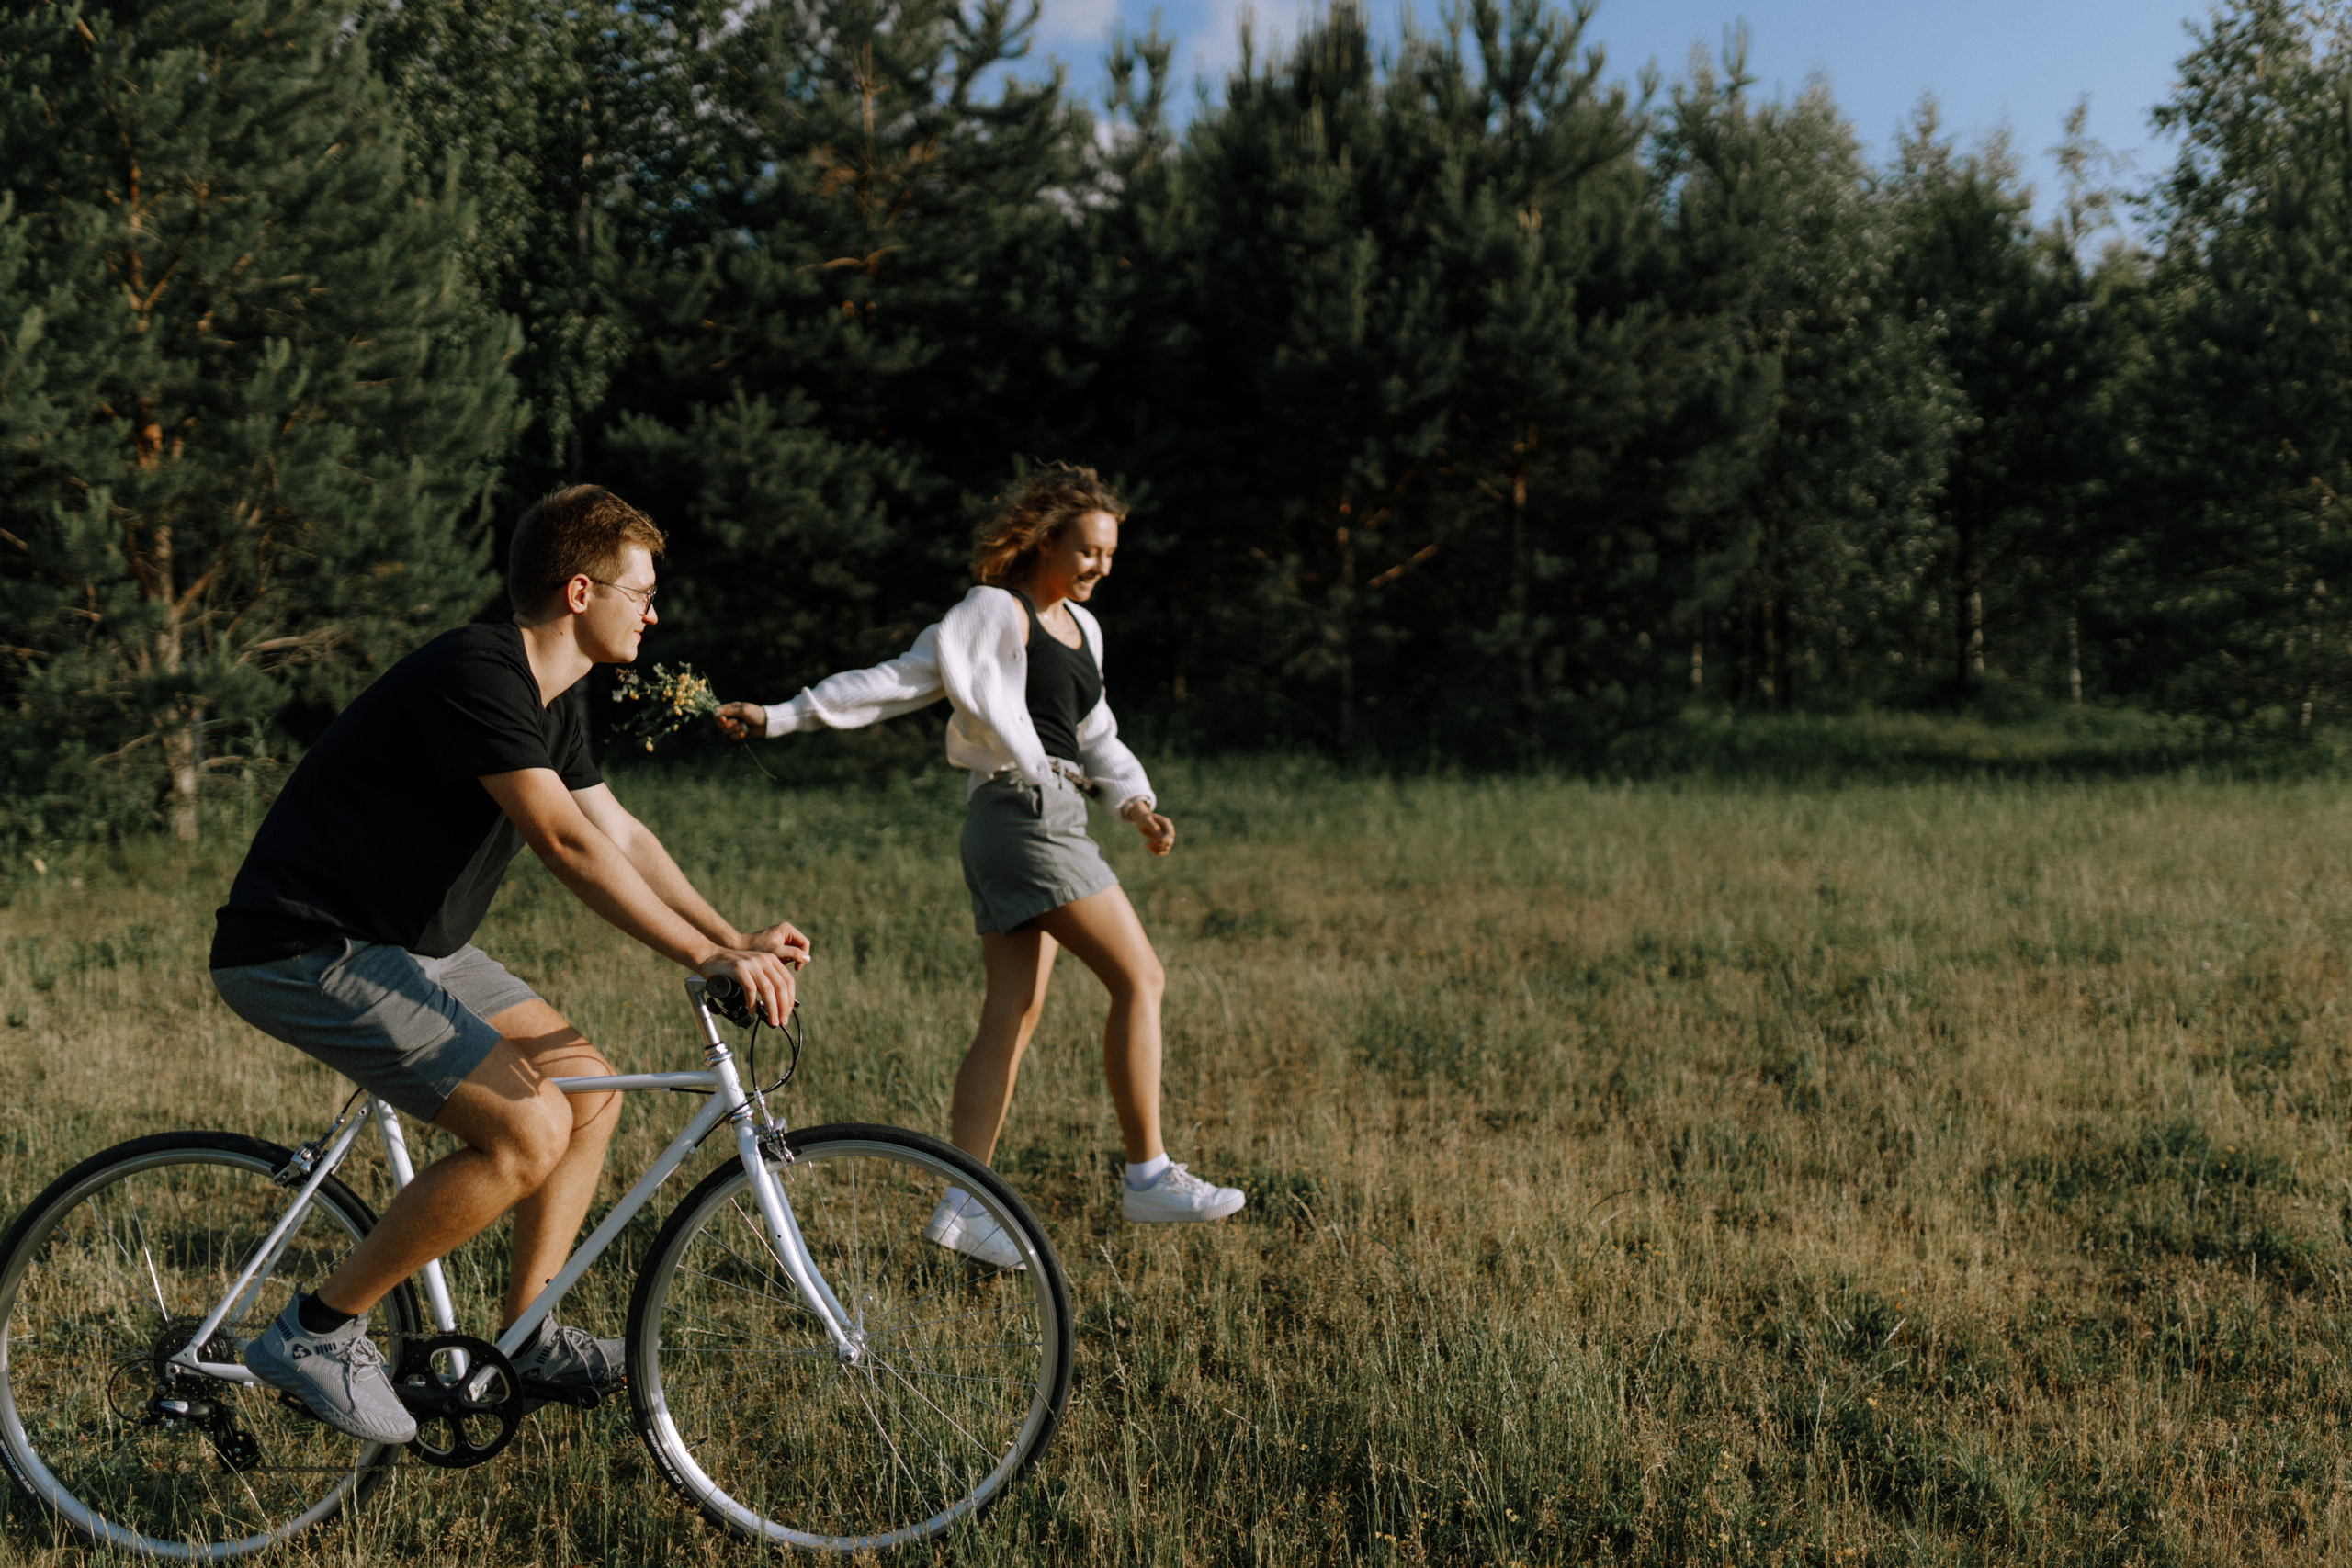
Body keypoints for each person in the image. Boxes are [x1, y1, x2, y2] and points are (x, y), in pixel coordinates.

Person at [209, 485, 808, 1445]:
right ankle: (316, 1330)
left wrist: (729, 938)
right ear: (580, 591)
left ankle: (526, 1336)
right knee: (529, 1131)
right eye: (642, 592)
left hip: (413, 947)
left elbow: (618, 832)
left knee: (589, 1092)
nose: (653, 614)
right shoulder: (477, 671)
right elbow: (564, 843)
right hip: (308, 945)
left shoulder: (551, 694)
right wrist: (702, 954)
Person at [716, 463, 1243, 1267]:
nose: (1102, 566)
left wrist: (1135, 803)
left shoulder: (1083, 628)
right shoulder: (995, 612)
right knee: (1142, 977)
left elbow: (1094, 733)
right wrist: (782, 715)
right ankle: (1148, 1173)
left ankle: (964, 1202)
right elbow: (899, 679)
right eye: (1089, 550)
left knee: (1012, 1012)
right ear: (1045, 541)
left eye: (1110, 554)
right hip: (1023, 815)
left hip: (1047, 812)